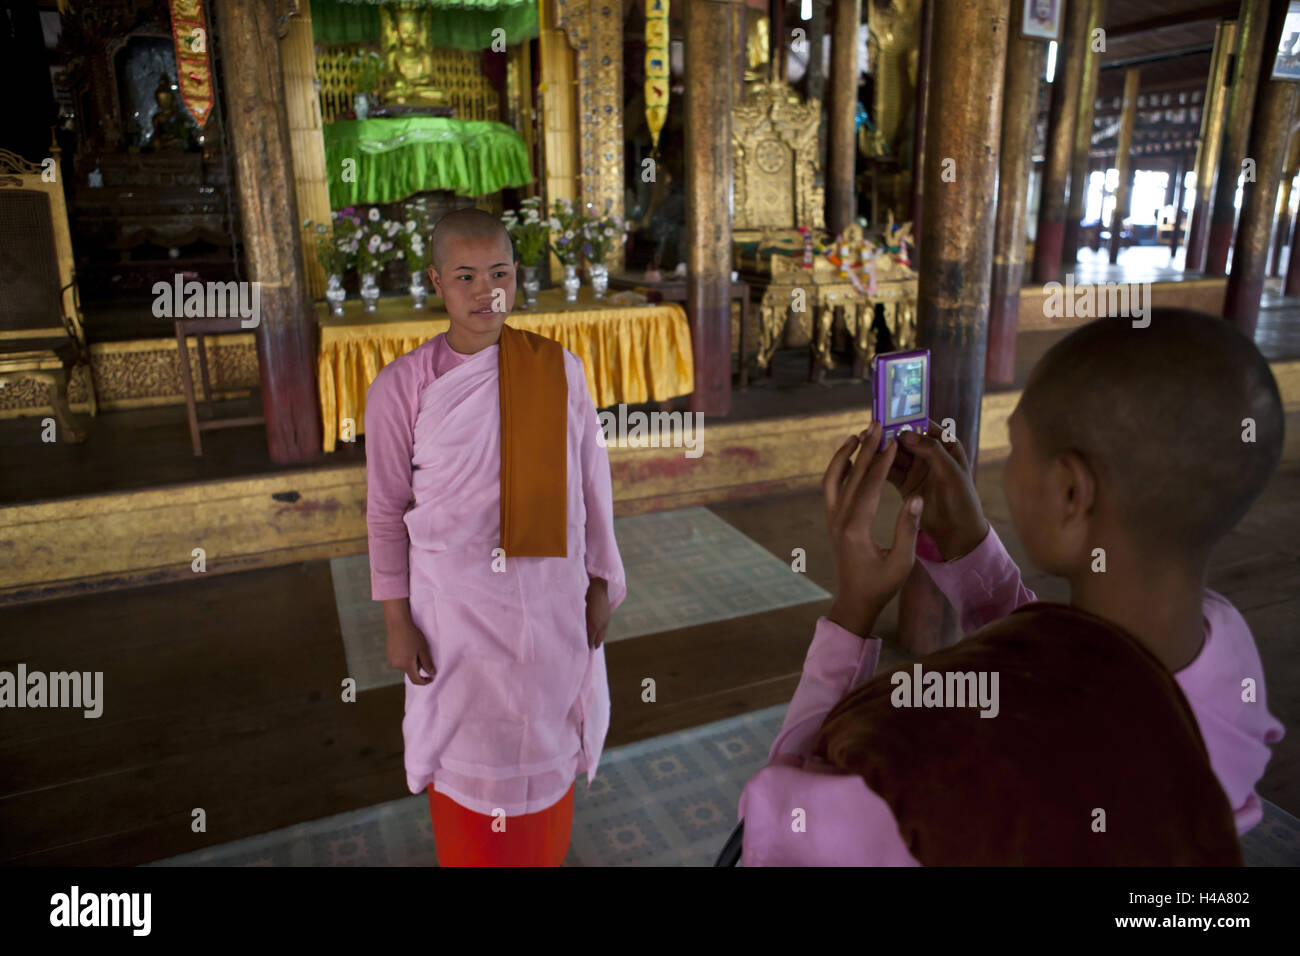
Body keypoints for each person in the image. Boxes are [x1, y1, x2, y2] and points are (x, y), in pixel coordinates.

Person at [739, 310, 1283, 865]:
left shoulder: (929, 759)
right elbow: (1067, 662)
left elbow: (776, 830)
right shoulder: (1227, 655)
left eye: (1016, 449)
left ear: (1071, 493)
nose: (1007, 470)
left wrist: (853, 614)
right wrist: (968, 546)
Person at [364, 208, 626, 866]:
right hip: (454, 611)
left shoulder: (559, 370)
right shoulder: (402, 387)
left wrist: (601, 580)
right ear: (436, 281)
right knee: (468, 757)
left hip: (550, 598)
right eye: (467, 275)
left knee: (545, 742)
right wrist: (397, 620)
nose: (488, 291)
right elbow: (385, 509)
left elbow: (594, 483)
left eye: (502, 273)